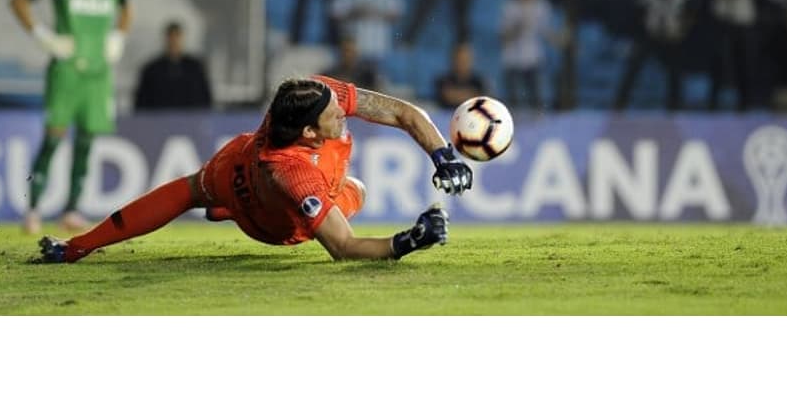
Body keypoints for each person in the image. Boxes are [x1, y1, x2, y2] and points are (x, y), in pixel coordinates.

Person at [36, 75, 472, 263]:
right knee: (355, 189)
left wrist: (442, 153)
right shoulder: (296, 175)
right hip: (271, 221)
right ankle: (76, 248)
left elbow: (400, 112)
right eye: (335, 114)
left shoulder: (315, 94)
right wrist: (408, 241)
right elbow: (343, 247)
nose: (345, 111)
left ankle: (223, 206)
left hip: (237, 160)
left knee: (194, 190)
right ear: (307, 132)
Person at [9, 0, 133, 234]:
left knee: (87, 142)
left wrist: (118, 37)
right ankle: (33, 209)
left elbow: (127, 9)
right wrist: (44, 37)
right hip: (66, 70)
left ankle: (71, 209)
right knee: (53, 139)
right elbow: (19, 0)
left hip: (98, 72)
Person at [613, 0, 697, 111]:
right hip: (651, 34)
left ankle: (675, 106)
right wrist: (643, 27)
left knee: (675, 71)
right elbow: (638, 10)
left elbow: (691, 14)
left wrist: (682, 31)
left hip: (673, 36)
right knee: (634, 65)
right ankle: (620, 103)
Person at [499, 0, 561, 111]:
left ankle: (537, 127)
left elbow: (546, 31)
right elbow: (503, 36)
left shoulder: (541, 5)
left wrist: (558, 39)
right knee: (514, 101)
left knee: (536, 99)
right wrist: (518, 28)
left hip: (533, 58)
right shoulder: (510, 6)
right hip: (513, 59)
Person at [133, 21, 213, 111]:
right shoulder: (151, 69)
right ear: (165, 39)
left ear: (182, 38)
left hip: (190, 121)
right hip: (158, 121)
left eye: (177, 36)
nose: (174, 41)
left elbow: (205, 100)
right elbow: (141, 104)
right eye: (171, 36)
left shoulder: (196, 68)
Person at [435, 41, 490, 110]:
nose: (462, 62)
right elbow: (446, 97)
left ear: (471, 60)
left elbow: (483, 101)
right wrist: (470, 95)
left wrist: (454, 95)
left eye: (465, 59)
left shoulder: (479, 82)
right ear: (453, 59)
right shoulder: (442, 80)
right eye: (459, 58)